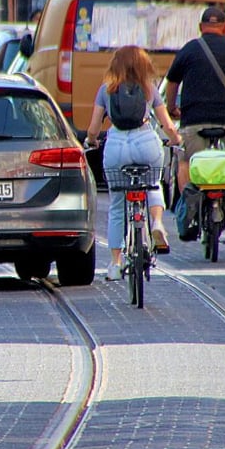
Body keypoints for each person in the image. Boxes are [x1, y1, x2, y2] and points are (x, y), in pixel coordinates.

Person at [85, 45, 182, 281]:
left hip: (117, 147)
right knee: (153, 185)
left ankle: (116, 264)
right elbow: (167, 125)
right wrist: (176, 139)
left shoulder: (105, 90)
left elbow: (93, 128)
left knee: (117, 205)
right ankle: (157, 222)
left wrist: (91, 140)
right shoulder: (149, 89)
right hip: (146, 143)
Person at [164, 6, 225, 218]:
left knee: (186, 159)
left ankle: (190, 202)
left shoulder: (189, 49)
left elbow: (172, 83)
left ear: (200, 28)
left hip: (194, 120)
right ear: (224, 28)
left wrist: (171, 108)